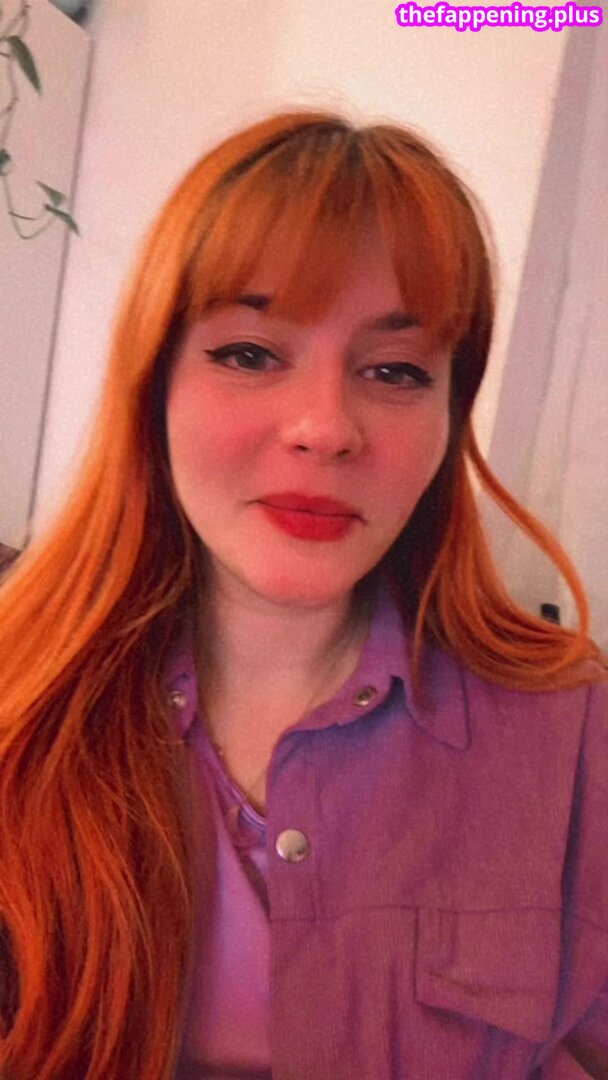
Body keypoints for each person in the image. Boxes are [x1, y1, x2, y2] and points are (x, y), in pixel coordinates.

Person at [0, 110, 606, 1080]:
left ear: (449, 421)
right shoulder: (19, 696)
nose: (325, 427)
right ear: (153, 383)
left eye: (395, 370)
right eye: (250, 354)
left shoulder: (570, 730)